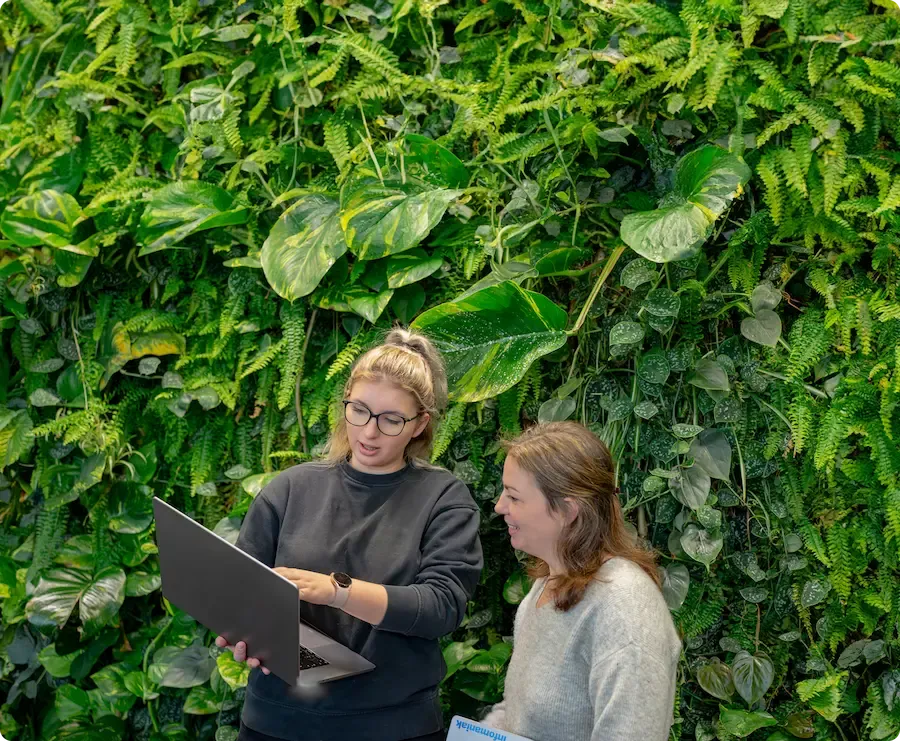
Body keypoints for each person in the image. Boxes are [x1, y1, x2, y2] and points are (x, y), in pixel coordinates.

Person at [217, 328, 484, 741]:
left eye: (391, 420)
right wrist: (243, 635)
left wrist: (337, 591)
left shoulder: (443, 498)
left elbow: (441, 607)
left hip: (392, 727)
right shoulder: (289, 489)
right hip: (276, 724)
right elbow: (241, 590)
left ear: (420, 424)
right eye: (358, 410)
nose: (369, 431)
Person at [483, 421, 681, 741]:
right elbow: (518, 716)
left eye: (514, 497)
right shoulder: (544, 587)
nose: (499, 506)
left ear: (567, 511)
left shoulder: (625, 606)